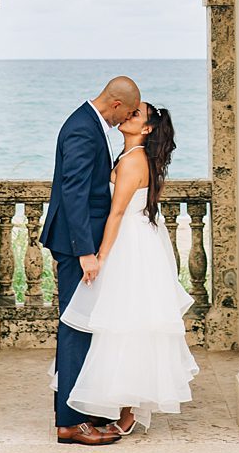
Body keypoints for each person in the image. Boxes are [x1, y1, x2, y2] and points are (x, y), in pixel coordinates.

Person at [58, 99, 198, 434]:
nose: (130, 114)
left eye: (137, 114)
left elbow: (117, 212)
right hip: (133, 240)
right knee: (122, 322)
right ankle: (117, 404)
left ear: (147, 129)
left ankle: (128, 411)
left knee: (126, 323)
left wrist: (100, 256)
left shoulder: (134, 161)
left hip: (128, 244)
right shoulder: (130, 157)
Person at [41, 75, 140, 446]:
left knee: (83, 324)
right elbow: (75, 192)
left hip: (77, 240)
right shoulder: (83, 129)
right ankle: (69, 423)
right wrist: (86, 252)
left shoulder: (88, 122)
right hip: (73, 244)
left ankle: (79, 407)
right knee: (75, 327)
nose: (125, 120)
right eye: (127, 113)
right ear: (116, 105)